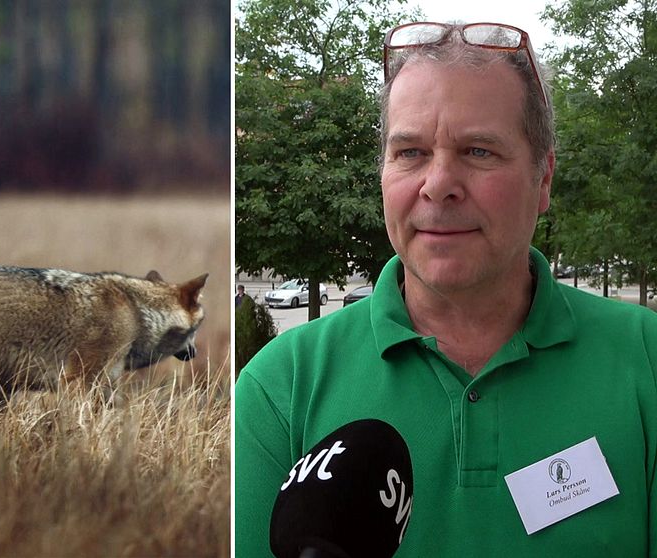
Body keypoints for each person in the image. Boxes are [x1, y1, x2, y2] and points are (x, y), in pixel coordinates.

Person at [234, 21, 657, 557]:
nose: (438, 184)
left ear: (544, 178)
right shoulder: (281, 388)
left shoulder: (647, 360)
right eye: (409, 152)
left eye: (479, 151)